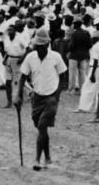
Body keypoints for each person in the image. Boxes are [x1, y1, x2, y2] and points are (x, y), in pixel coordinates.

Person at [15, 28, 66, 171]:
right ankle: (48, 158)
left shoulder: (55, 57)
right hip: (36, 97)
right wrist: (18, 95)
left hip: (51, 97)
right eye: (37, 46)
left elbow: (63, 77)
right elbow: (22, 77)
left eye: (42, 46)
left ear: (47, 45)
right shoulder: (30, 57)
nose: (39, 49)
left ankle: (37, 159)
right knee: (41, 129)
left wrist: (57, 95)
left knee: (42, 127)